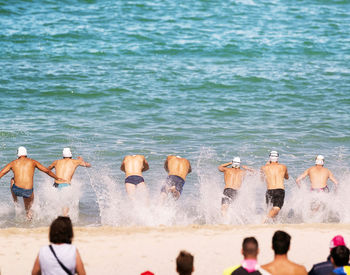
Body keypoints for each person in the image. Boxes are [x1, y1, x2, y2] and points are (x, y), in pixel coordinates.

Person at [0, 146, 62, 219]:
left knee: (12, 180)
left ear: (18, 155)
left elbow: (2, 173)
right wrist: (57, 178)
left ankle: (16, 201)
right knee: (28, 208)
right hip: (28, 192)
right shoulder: (33, 162)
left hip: (16, 190)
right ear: (26, 154)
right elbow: (47, 171)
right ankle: (29, 216)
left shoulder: (13, 163)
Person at [48, 148, 91, 216]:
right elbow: (88, 165)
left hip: (55, 185)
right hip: (65, 185)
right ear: (71, 155)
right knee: (65, 206)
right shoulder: (75, 161)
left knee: (57, 204)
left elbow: (48, 169)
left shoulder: (56, 162)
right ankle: (64, 220)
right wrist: (81, 160)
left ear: (63, 155)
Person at [260, 151, 289, 221]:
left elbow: (262, 179)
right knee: (276, 209)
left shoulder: (264, 168)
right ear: (277, 158)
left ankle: (272, 224)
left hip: (269, 191)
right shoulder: (283, 167)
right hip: (279, 190)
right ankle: (264, 220)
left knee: (271, 210)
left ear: (270, 158)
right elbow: (287, 177)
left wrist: (266, 166)